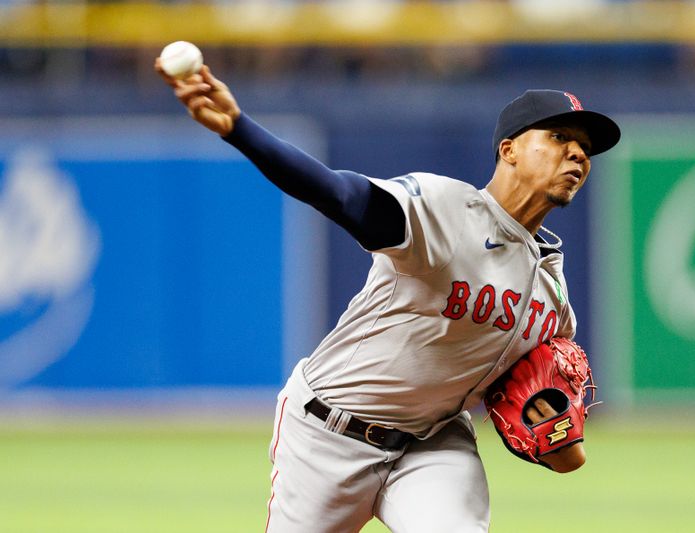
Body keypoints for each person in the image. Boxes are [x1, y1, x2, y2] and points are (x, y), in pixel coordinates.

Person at [156, 60, 620, 533]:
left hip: (434, 444)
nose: (578, 155)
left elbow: (565, 457)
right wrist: (240, 130)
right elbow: (339, 195)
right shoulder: (445, 211)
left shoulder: (553, 296)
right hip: (327, 432)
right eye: (560, 138)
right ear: (509, 150)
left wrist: (558, 433)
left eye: (585, 148)